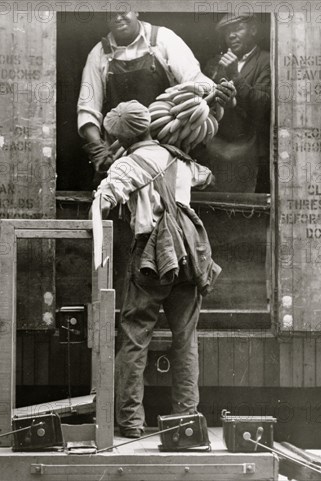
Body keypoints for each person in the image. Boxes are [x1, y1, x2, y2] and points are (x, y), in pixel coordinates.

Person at [94, 100, 221, 438]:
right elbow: (206, 176)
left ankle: (131, 422)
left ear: (119, 137)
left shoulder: (128, 164)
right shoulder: (178, 158)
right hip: (187, 256)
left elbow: (103, 201)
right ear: (150, 125)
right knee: (185, 339)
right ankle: (185, 420)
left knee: (135, 337)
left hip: (150, 257)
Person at [78, 11, 235, 173]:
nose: (118, 18)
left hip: (169, 144)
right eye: (110, 13)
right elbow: (88, 109)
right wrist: (98, 149)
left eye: (123, 10)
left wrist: (215, 90)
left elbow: (193, 77)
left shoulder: (163, 39)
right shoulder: (99, 54)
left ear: (136, 10)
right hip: (122, 152)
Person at [197, 13, 271, 192]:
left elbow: (263, 104)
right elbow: (201, 103)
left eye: (238, 29)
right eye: (227, 32)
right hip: (216, 148)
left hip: (248, 149)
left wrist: (235, 77)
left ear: (253, 30)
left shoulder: (266, 60)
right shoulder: (214, 63)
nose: (231, 35)